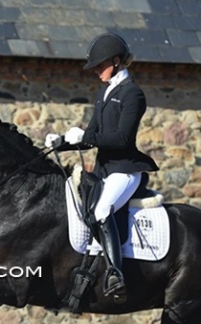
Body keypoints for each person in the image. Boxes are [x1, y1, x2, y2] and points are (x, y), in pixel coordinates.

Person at [46, 33, 158, 303]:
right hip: (105, 170)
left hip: (126, 170)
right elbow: (92, 134)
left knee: (101, 210)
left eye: (100, 65)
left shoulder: (133, 94)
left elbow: (121, 139)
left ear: (116, 61)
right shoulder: (104, 92)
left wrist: (86, 137)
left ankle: (115, 274)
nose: (96, 70)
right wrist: (61, 143)